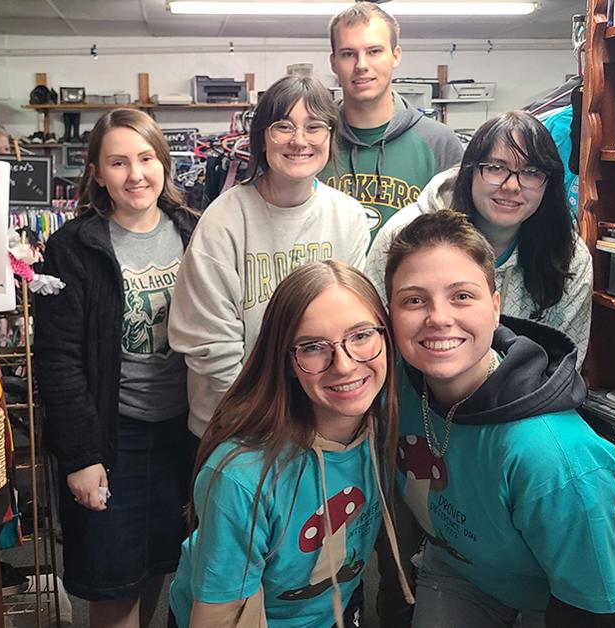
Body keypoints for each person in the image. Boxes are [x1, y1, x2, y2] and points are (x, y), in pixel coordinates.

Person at [384, 210, 615, 628]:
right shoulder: (391, 381)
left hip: (560, 602)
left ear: (495, 308)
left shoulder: (553, 458)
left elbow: (592, 609)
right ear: (390, 315)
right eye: (414, 300)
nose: (438, 317)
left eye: (461, 296)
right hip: (461, 570)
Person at [169, 260, 413, 628]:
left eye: (361, 335)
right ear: (287, 361)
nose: (344, 365)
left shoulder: (386, 425)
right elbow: (220, 618)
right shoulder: (242, 477)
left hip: (333, 610)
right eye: (313, 346)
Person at [33, 108, 199, 628]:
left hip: (183, 434)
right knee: (111, 578)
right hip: (113, 438)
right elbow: (59, 361)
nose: (136, 174)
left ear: (164, 163)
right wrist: (81, 455)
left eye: (146, 158)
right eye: (119, 162)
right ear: (98, 172)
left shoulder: (196, 232)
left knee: (157, 567)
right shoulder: (73, 247)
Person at [169, 75, 371, 438]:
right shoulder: (223, 221)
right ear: (262, 136)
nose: (299, 140)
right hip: (234, 425)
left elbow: (352, 330)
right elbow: (209, 345)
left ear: (330, 136)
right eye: (283, 126)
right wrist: (267, 425)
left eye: (314, 127)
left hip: (318, 421)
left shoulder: (349, 217)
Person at [366, 111, 593, 367]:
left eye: (530, 172)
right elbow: (371, 335)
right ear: (470, 171)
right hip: (414, 390)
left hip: (525, 401)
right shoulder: (405, 237)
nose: (511, 186)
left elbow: (564, 365)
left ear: (548, 183)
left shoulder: (568, 255)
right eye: (496, 168)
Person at [320, 2, 463, 240]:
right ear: (333, 61)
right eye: (348, 54)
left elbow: (458, 237)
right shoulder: (314, 140)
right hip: (331, 277)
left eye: (374, 51)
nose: (362, 65)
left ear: (395, 56)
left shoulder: (440, 142)